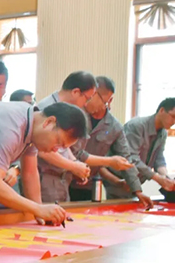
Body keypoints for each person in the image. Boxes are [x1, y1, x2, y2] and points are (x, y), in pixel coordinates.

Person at [37, 72, 133, 202]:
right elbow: (43, 150)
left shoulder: (65, 110)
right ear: (76, 92)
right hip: (44, 180)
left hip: (61, 182)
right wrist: (73, 166)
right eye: (87, 99)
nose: (86, 104)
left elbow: (66, 149)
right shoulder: (47, 108)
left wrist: (75, 164)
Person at [68, 77, 151, 207]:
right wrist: (109, 161)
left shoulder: (114, 127)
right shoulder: (76, 115)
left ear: (109, 100)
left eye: (93, 96)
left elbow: (126, 158)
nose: (87, 101)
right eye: (88, 96)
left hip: (87, 186)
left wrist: (138, 191)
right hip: (64, 181)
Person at [105, 97, 175, 199]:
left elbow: (158, 158)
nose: (174, 122)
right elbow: (131, 158)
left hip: (136, 182)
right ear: (161, 110)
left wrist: (165, 176)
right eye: (173, 116)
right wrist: (157, 178)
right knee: (115, 208)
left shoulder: (163, 133)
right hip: (119, 180)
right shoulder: (136, 126)